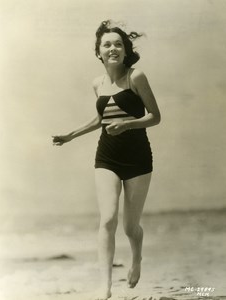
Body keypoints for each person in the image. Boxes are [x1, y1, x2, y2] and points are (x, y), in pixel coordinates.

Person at [52, 19, 161, 300]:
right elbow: (101, 119)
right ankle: (105, 286)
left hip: (138, 159)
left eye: (118, 44)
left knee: (129, 227)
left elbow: (155, 117)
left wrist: (127, 125)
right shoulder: (97, 83)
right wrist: (71, 135)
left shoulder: (136, 77)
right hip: (107, 157)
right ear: (99, 52)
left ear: (125, 51)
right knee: (108, 219)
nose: (113, 48)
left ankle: (136, 258)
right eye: (107, 44)